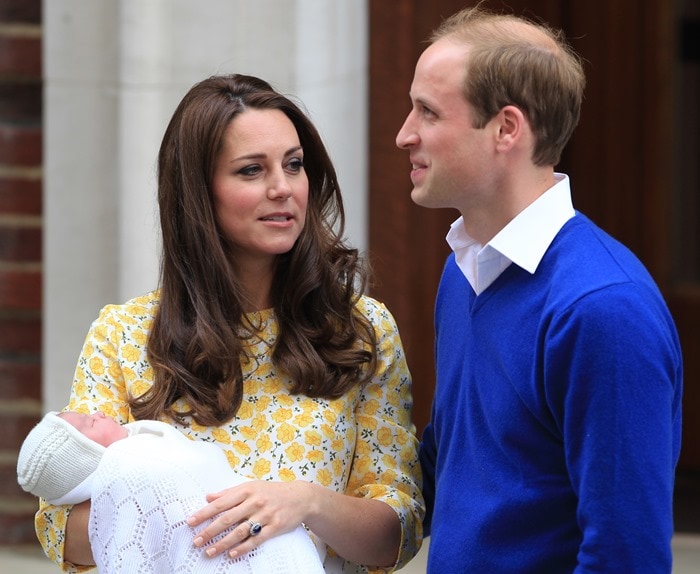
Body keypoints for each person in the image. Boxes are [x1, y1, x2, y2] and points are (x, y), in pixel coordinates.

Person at [35, 73, 424, 574]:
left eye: (294, 165)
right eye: (251, 171)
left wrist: (305, 503)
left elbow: (400, 529)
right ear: (199, 193)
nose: (282, 188)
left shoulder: (360, 329)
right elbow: (59, 529)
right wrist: (192, 513)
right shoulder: (124, 333)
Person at [395, 5, 682, 573]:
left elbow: (627, 557)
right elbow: (444, 472)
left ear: (506, 129)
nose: (405, 134)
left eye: (428, 112)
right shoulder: (464, 272)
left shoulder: (603, 309)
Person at [18, 411, 325, 573]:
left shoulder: (148, 449)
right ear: (84, 455)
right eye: (87, 423)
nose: (97, 412)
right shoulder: (129, 467)